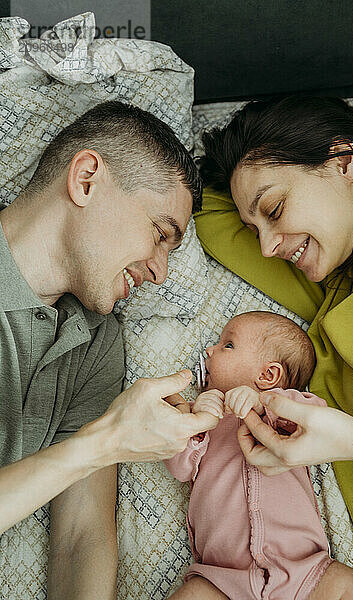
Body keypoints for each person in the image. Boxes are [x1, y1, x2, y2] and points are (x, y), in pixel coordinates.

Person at [0, 100, 219, 600]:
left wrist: (105, 441)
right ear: (86, 180)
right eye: (161, 234)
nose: (160, 272)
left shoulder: (96, 341)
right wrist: (105, 441)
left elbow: (80, 539)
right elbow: (93, 451)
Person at [193, 96, 353, 599]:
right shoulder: (332, 292)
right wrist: (244, 167)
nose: (267, 247)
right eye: (255, 228)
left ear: (344, 161)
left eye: (275, 209)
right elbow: (207, 212)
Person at [164, 311, 353, 600]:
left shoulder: (289, 410)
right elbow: (180, 468)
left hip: (306, 572)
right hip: (220, 579)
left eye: (227, 345)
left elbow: (316, 415)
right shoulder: (206, 415)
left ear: (268, 375)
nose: (209, 350)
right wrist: (192, 423)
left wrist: (264, 404)